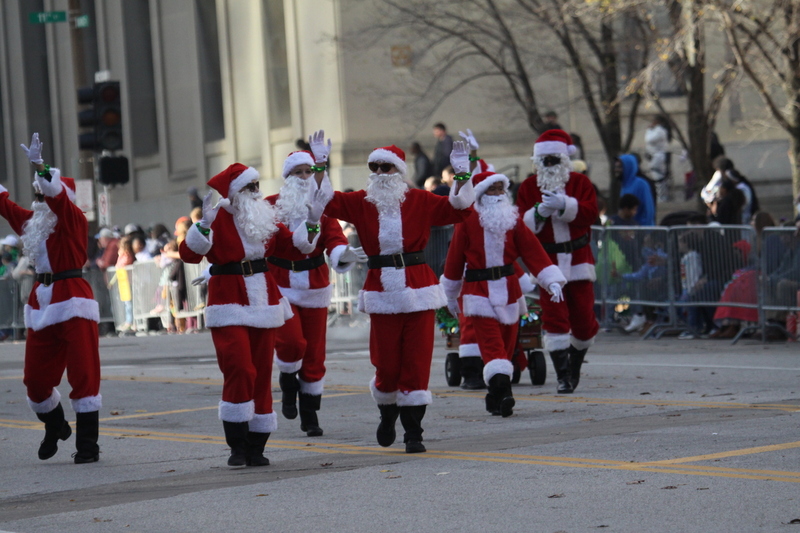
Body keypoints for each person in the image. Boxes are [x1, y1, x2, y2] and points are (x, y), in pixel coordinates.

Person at [312, 131, 475, 453]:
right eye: (375, 168)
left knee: (417, 361)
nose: (380, 173)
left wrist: (462, 174)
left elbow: (459, 209)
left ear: (399, 171)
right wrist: (320, 165)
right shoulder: (361, 201)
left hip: (418, 287)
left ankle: (414, 432)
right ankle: (387, 414)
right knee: (386, 364)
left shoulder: (420, 200)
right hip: (382, 290)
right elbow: (324, 202)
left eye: (386, 167)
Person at [179, 162, 319, 466]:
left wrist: (312, 223)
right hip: (229, 301)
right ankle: (237, 443)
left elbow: (295, 248)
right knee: (239, 367)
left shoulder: (264, 215)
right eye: (249, 186)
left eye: (257, 185)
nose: (256, 191)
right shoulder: (217, 216)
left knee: (261, 371)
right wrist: (202, 226)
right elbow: (188, 254)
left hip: (264, 299)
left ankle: (257, 444)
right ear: (234, 192)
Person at [0, 133, 101, 463]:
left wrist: (41, 167)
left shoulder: (72, 219)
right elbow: (5, 206)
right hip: (41, 303)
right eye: (36, 194)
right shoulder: (34, 224)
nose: (39, 199)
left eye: (44, 193)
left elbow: (57, 199)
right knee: (35, 381)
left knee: (83, 373)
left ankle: (87, 445)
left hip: (73, 300)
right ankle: (55, 425)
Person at [441, 171, 565, 416]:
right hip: (478, 292)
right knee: (492, 345)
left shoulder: (512, 220)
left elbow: (532, 250)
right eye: (493, 189)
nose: (498, 194)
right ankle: (505, 393)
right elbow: (454, 259)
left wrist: (550, 280)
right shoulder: (467, 220)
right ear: (480, 194)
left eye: (501, 189)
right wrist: (451, 294)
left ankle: (495, 397)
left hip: (509, 290)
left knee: (507, 347)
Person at [266, 148, 367, 437]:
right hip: (280, 284)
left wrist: (343, 253)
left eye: (308, 171)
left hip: (314, 286)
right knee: (291, 342)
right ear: (287, 176)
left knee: (314, 353)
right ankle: (288, 380)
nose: (303, 177)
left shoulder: (324, 208)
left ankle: (310, 414)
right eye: (297, 172)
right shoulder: (271, 206)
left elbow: (334, 238)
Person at [517, 129, 599, 393]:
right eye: (545, 160)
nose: (549, 165)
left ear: (564, 159)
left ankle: (574, 365)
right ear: (537, 161)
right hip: (547, 262)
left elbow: (591, 214)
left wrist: (565, 204)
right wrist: (538, 213)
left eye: (554, 160)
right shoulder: (529, 187)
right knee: (554, 319)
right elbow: (521, 227)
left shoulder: (580, 183)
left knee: (584, 323)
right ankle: (563, 376)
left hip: (578, 260)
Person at [616, 154, 655, 226]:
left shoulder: (641, 184)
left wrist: (644, 229)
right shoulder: (624, 185)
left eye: (620, 167)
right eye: (616, 167)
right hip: (629, 229)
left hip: (640, 229)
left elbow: (648, 210)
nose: (617, 170)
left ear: (628, 167)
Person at [645, 116, 672, 202]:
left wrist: (649, 130)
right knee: (657, 176)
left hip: (657, 157)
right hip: (655, 156)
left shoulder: (659, 130)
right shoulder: (658, 130)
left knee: (658, 176)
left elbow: (649, 140)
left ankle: (661, 197)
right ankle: (661, 196)